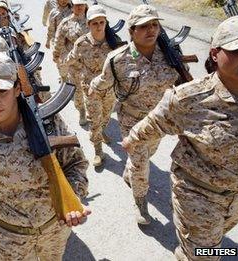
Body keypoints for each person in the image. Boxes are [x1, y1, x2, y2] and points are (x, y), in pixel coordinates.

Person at [123, 15, 238, 261]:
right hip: (199, 194)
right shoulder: (189, 99)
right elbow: (152, 124)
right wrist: (132, 141)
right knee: (204, 255)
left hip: (237, 196)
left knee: (214, 243)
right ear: (215, 54)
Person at [0, 52, 91, 260]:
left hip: (54, 227)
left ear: (16, 89)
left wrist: (74, 198)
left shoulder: (47, 122)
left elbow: (76, 163)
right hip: (9, 236)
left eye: (1, 91)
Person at [89, 4, 179, 225]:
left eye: (155, 25)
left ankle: (129, 170)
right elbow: (103, 82)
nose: (151, 30)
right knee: (141, 165)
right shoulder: (117, 59)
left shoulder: (169, 53)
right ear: (131, 31)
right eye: (144, 26)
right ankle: (141, 204)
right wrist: (92, 89)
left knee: (148, 154)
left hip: (159, 122)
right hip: (132, 120)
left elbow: (181, 85)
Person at [64, 4, 117, 166]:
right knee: (94, 120)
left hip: (109, 90)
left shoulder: (114, 42)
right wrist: (78, 72)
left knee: (106, 116)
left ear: (106, 23)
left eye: (102, 22)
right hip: (91, 90)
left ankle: (102, 131)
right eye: (95, 23)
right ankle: (98, 151)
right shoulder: (81, 43)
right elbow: (69, 60)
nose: (99, 26)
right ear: (88, 25)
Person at [53, 0, 89, 125]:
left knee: (93, 90)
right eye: (77, 4)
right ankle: (82, 110)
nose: (79, 7)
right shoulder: (66, 23)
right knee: (78, 90)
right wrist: (57, 57)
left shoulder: (93, 20)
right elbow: (58, 43)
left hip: (93, 63)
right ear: (72, 6)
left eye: (82, 4)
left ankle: (95, 111)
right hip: (74, 64)